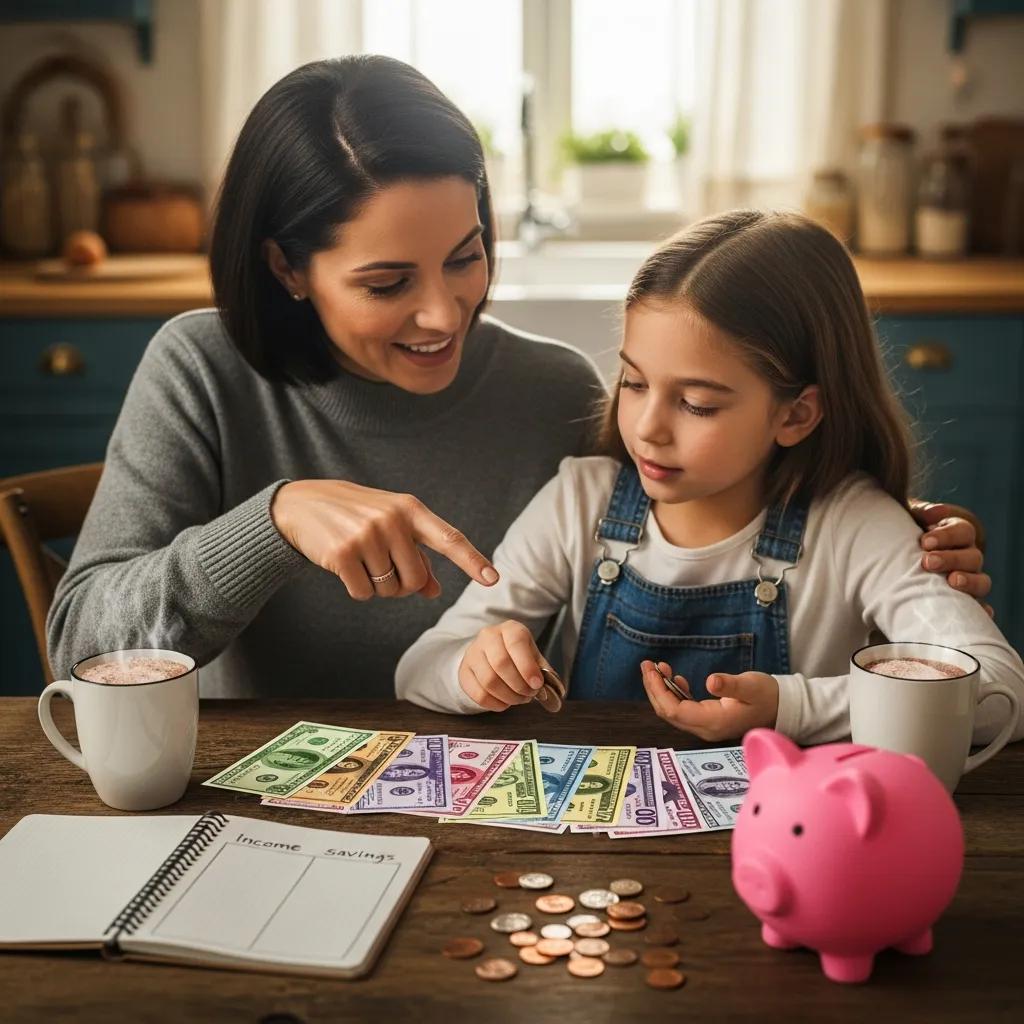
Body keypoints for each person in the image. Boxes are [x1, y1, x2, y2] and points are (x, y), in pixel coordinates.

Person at [46, 58, 986, 698]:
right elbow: (82, 645)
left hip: (495, 818)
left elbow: (704, 521)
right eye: (386, 282)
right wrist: (274, 520)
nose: (445, 313)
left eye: (466, 255)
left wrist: (891, 548)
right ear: (287, 268)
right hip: (254, 814)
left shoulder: (551, 393)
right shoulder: (201, 368)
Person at [397, 210, 1023, 747]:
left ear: (795, 413)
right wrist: (472, 671)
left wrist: (791, 707)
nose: (648, 428)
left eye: (697, 403)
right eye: (635, 383)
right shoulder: (579, 501)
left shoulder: (855, 526)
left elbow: (1002, 693)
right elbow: (419, 667)